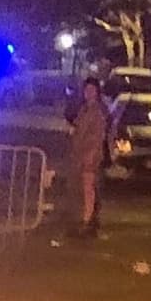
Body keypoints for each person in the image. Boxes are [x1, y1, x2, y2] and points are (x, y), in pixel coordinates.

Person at [60, 75, 110, 239]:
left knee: (88, 191)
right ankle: (82, 221)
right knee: (81, 191)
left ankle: (87, 222)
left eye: (91, 90)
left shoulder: (97, 112)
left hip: (89, 158)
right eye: (86, 90)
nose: (88, 93)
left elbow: (97, 137)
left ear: (97, 92)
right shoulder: (84, 109)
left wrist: (90, 158)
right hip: (80, 156)